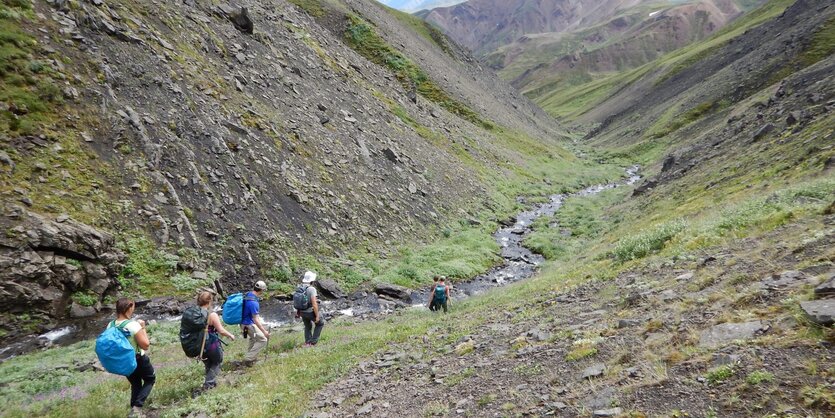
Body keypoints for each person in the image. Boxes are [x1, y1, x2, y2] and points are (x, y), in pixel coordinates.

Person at [110, 298, 155, 417]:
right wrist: (143, 327)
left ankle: (134, 412)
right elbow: (145, 345)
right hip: (138, 359)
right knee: (150, 379)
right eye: (133, 306)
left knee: (135, 384)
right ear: (129, 308)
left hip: (123, 361)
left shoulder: (111, 325)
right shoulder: (133, 325)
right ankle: (137, 407)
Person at [196, 292, 235, 393]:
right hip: (211, 344)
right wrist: (230, 335)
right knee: (217, 361)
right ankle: (208, 385)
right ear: (209, 301)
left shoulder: (194, 313)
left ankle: (211, 383)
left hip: (198, 345)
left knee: (208, 363)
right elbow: (221, 330)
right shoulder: (211, 315)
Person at [241, 280, 270, 367]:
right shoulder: (253, 303)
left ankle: (250, 359)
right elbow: (256, 319)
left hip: (243, 324)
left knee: (253, 338)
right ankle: (249, 358)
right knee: (263, 340)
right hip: (248, 325)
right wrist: (264, 332)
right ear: (261, 290)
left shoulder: (248, 294)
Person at [297, 271, 325, 346]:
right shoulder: (311, 289)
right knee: (320, 323)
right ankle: (313, 342)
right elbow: (314, 303)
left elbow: (298, 300)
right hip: (310, 311)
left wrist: (298, 312)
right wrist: (317, 316)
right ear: (312, 280)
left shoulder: (300, 287)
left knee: (307, 326)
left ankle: (307, 342)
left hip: (302, 311)